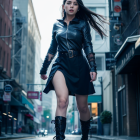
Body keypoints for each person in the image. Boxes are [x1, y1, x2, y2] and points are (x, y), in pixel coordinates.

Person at [40, 0, 108, 140]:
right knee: (62, 101)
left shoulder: (83, 24)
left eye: (75, 4)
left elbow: (88, 46)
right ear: (63, 5)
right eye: (69, 3)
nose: (71, 6)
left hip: (79, 65)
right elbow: (53, 48)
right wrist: (44, 69)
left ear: (78, 8)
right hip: (61, 64)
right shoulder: (56, 25)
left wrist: (93, 67)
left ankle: (84, 136)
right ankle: (59, 137)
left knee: (82, 107)